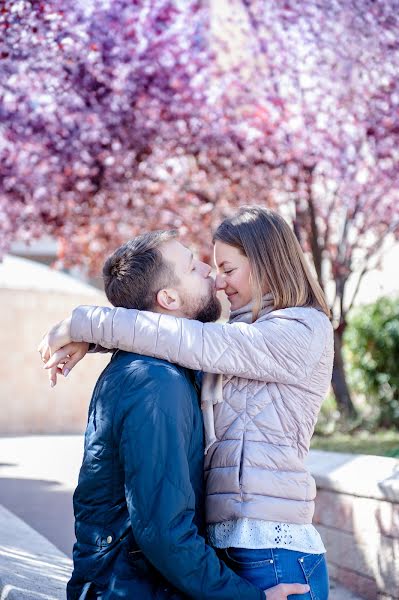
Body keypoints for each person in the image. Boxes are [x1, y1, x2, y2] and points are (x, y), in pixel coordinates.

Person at [39, 206, 333, 599]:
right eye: (210, 269)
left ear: (267, 263)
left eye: (228, 269)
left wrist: (84, 325)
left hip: (274, 549)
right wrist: (97, 339)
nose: (218, 281)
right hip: (232, 547)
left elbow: (189, 339)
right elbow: (177, 338)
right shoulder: (232, 340)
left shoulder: (301, 330)